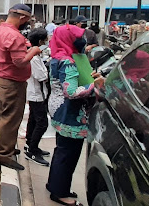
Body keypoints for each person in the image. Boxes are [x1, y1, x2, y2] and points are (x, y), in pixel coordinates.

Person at [46, 24, 103, 206]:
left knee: (61, 150)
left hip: (58, 109)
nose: (83, 41)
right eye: (79, 37)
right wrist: (96, 85)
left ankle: (55, 185)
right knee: (69, 153)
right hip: (70, 113)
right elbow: (70, 91)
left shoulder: (57, 57)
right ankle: (60, 193)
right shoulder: (68, 62)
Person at [0, 4, 41, 171]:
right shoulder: (14, 35)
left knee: (4, 114)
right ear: (22, 18)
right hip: (12, 81)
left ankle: (2, 146)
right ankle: (3, 154)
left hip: (3, 77)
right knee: (11, 118)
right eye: (27, 19)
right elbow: (19, 62)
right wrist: (33, 51)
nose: (27, 22)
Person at [24, 28, 51, 167]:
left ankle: (30, 143)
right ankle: (32, 150)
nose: (47, 41)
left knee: (33, 120)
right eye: (45, 39)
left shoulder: (36, 55)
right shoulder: (34, 57)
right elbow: (42, 76)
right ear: (40, 41)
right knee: (42, 123)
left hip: (37, 93)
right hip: (36, 94)